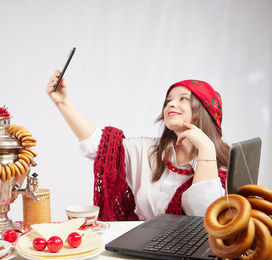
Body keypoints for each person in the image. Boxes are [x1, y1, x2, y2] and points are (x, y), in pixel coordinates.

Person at [45, 70, 230, 221]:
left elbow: (204, 219)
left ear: (205, 112)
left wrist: (206, 150)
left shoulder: (222, 166)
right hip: (143, 250)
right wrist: (63, 103)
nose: (171, 103)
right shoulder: (147, 151)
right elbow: (99, 147)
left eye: (183, 99)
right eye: (169, 100)